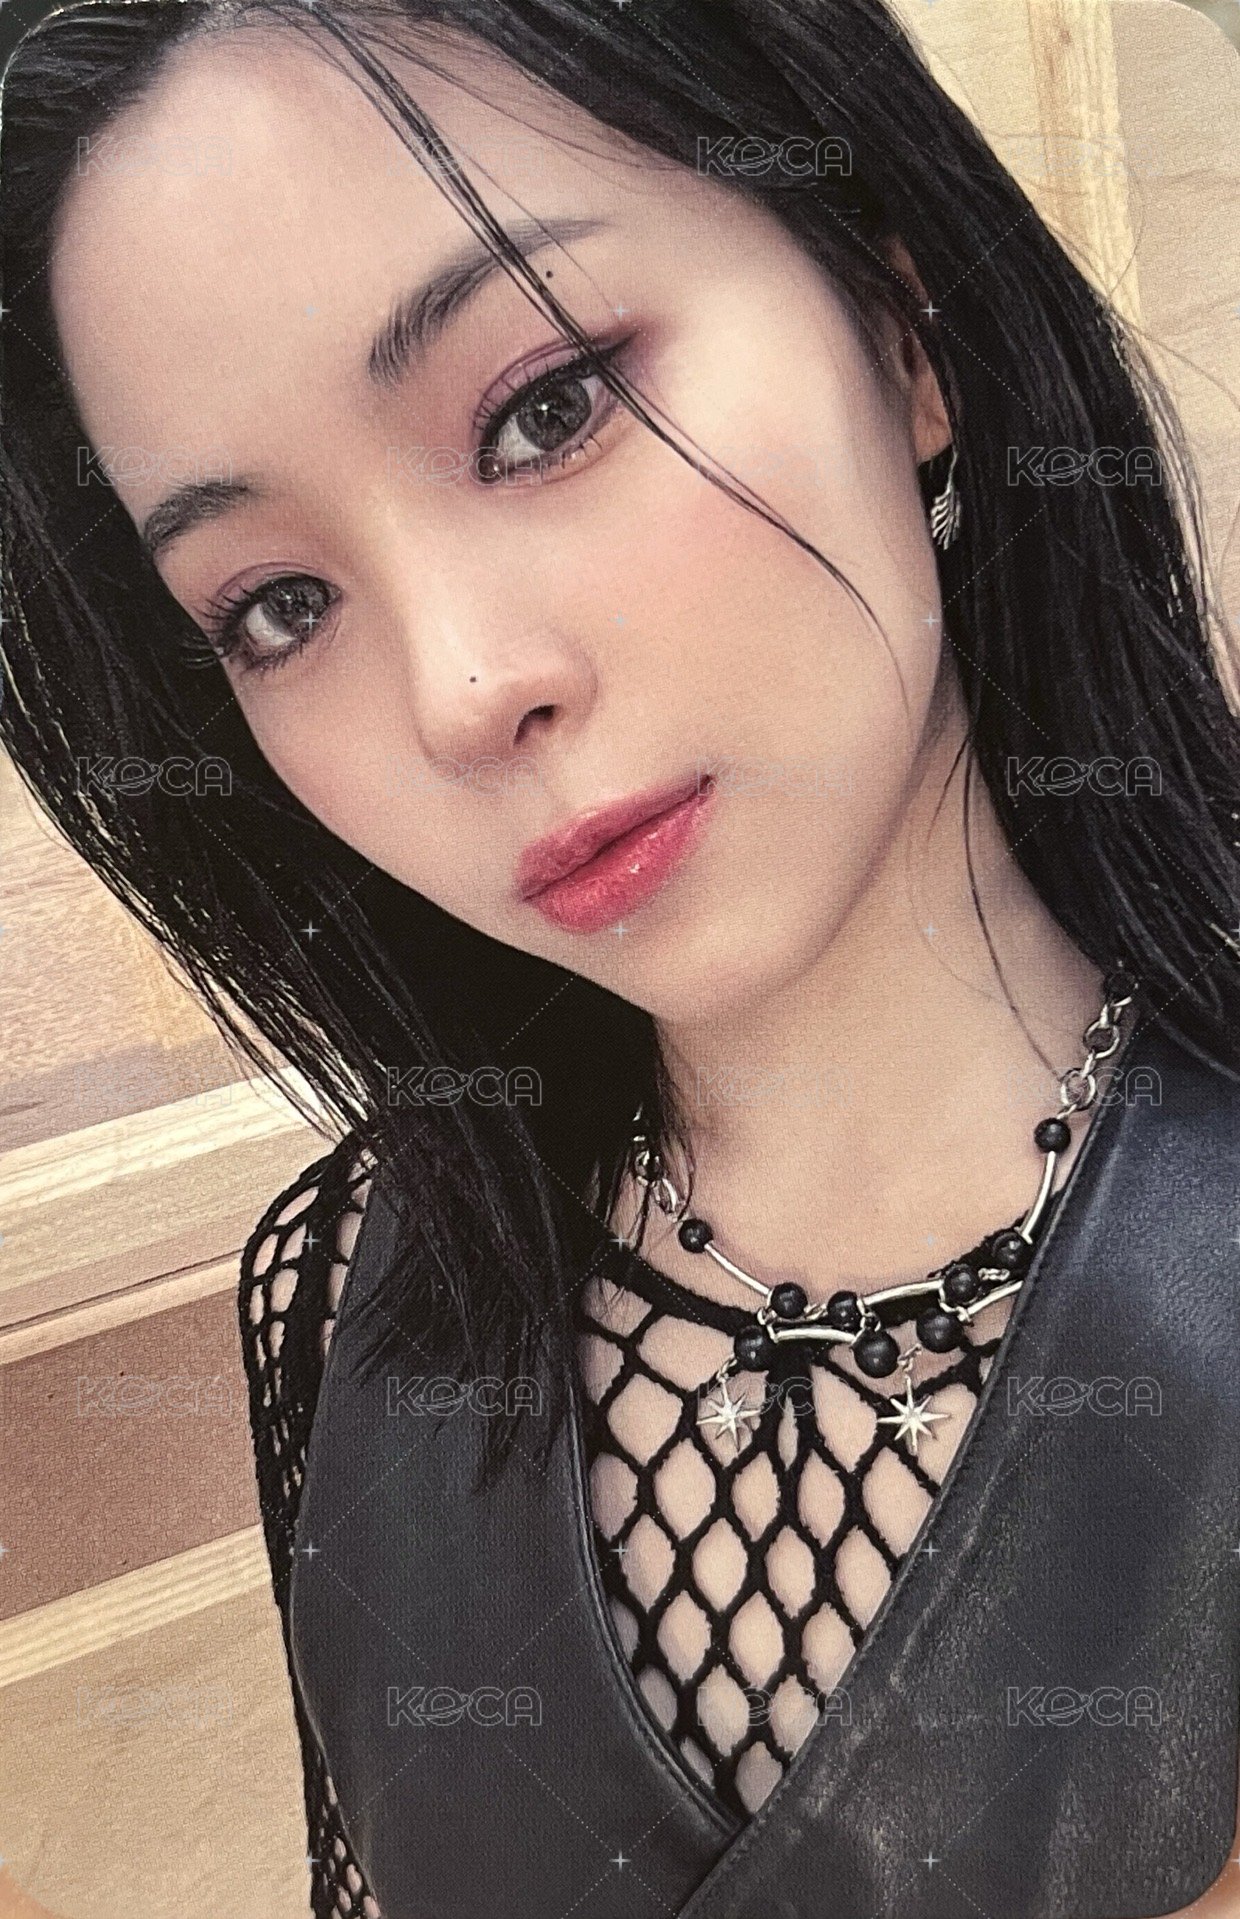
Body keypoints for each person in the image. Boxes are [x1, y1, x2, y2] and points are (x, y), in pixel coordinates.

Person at [3, 1, 1239, 1914]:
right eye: (279, 604)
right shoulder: (371, 1294)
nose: (461, 689)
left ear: (901, 330)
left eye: (547, 408)